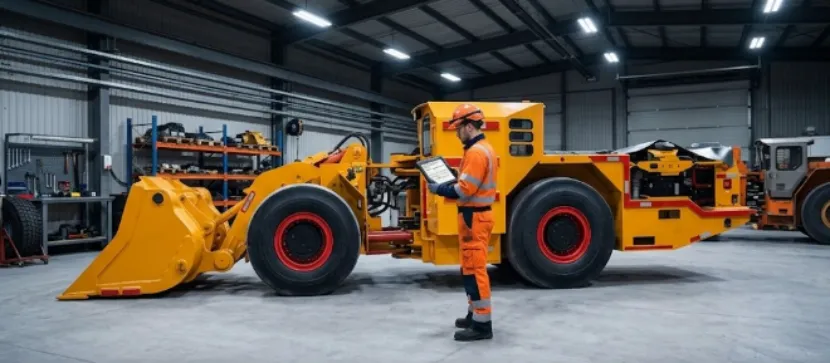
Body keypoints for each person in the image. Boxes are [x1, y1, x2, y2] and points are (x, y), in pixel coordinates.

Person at [428, 103, 498, 342]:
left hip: (474, 217)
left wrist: (440, 189)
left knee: (475, 269)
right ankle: (474, 314)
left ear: (469, 126)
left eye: (458, 128)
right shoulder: (481, 149)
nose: (457, 133)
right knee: (469, 267)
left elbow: (465, 190)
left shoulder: (477, 153)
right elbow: (469, 182)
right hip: (475, 217)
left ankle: (482, 325)